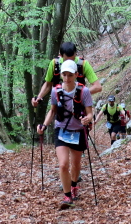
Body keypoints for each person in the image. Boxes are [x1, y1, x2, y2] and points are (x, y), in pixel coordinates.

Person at [37, 60, 94, 209]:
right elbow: (53, 111)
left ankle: (74, 185)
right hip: (61, 130)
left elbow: (90, 113)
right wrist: (44, 125)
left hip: (78, 131)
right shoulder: (55, 91)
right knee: (63, 164)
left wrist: (87, 119)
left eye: (70, 75)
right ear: (61, 75)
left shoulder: (84, 91)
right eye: (64, 75)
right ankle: (67, 196)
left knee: (75, 164)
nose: (67, 78)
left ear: (76, 75)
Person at [31, 42, 101, 108]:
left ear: (75, 54)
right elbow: (48, 85)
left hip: (79, 104)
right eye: (67, 60)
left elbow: (97, 87)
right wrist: (39, 97)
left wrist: (80, 94)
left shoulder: (83, 64)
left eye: (73, 59)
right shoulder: (55, 64)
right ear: (61, 55)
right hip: (60, 105)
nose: (70, 63)